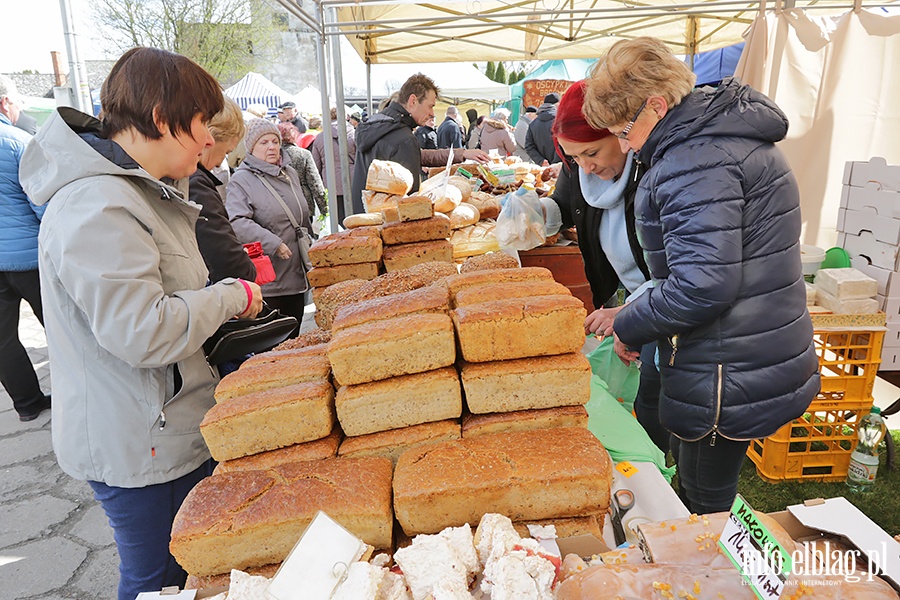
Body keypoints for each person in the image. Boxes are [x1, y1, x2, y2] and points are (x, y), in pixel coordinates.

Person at [18, 48, 264, 600]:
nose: (208, 140)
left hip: (168, 424)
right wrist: (229, 296)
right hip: (139, 441)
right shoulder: (98, 204)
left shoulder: (140, 192)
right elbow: (141, 331)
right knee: (159, 581)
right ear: (161, 118)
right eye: (201, 123)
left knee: (190, 573)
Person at [583, 36, 820, 514]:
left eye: (625, 131)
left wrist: (630, 322)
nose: (626, 144)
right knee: (698, 487)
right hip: (742, 351)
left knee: (703, 504)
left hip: (725, 365)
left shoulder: (694, 160)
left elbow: (702, 284)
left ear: (656, 104)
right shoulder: (716, 142)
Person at [548, 80, 669, 455]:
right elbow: (564, 207)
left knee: (656, 393)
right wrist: (536, 214)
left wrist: (632, 313)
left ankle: (660, 472)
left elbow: (677, 271)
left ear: (618, 132)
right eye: (573, 157)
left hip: (661, 296)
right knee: (641, 387)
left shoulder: (654, 172)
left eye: (592, 152)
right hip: (629, 295)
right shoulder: (579, 169)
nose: (585, 166)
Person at [350, 73, 489, 214]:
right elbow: (412, 202)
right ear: (413, 101)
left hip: (364, 216)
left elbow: (418, 154)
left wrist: (462, 153)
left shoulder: (379, 124)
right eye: (430, 106)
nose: (432, 113)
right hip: (386, 223)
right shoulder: (403, 138)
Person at [227, 119, 312, 334]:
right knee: (277, 344)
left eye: (275, 141)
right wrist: (274, 244)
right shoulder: (241, 180)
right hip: (270, 280)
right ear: (251, 148)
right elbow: (237, 221)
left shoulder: (289, 173)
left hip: (297, 272)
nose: (272, 147)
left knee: (295, 337)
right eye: (264, 142)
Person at [0, 74, 51, 422]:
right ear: (4, 103)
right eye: (17, 102)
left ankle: (28, 404)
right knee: (60, 327)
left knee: (2, 339)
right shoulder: (18, 142)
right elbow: (43, 204)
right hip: (29, 258)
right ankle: (80, 392)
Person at [190, 96, 257, 284]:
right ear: (209, 138)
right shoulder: (196, 183)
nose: (221, 162)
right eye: (226, 152)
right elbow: (227, 260)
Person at [312, 107, 357, 224]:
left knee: (337, 220)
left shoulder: (320, 137)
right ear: (346, 117)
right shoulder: (354, 134)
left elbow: (316, 165)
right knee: (354, 220)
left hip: (331, 183)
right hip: (353, 181)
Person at [278, 122, 327, 219]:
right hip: (304, 202)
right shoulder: (303, 154)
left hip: (280, 203)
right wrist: (324, 209)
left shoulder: (273, 155)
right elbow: (315, 183)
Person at [525, 92, 561, 165]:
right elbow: (564, 144)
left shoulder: (533, 124)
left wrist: (541, 161)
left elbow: (529, 146)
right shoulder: (560, 122)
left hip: (543, 168)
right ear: (557, 104)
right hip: (561, 168)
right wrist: (555, 163)